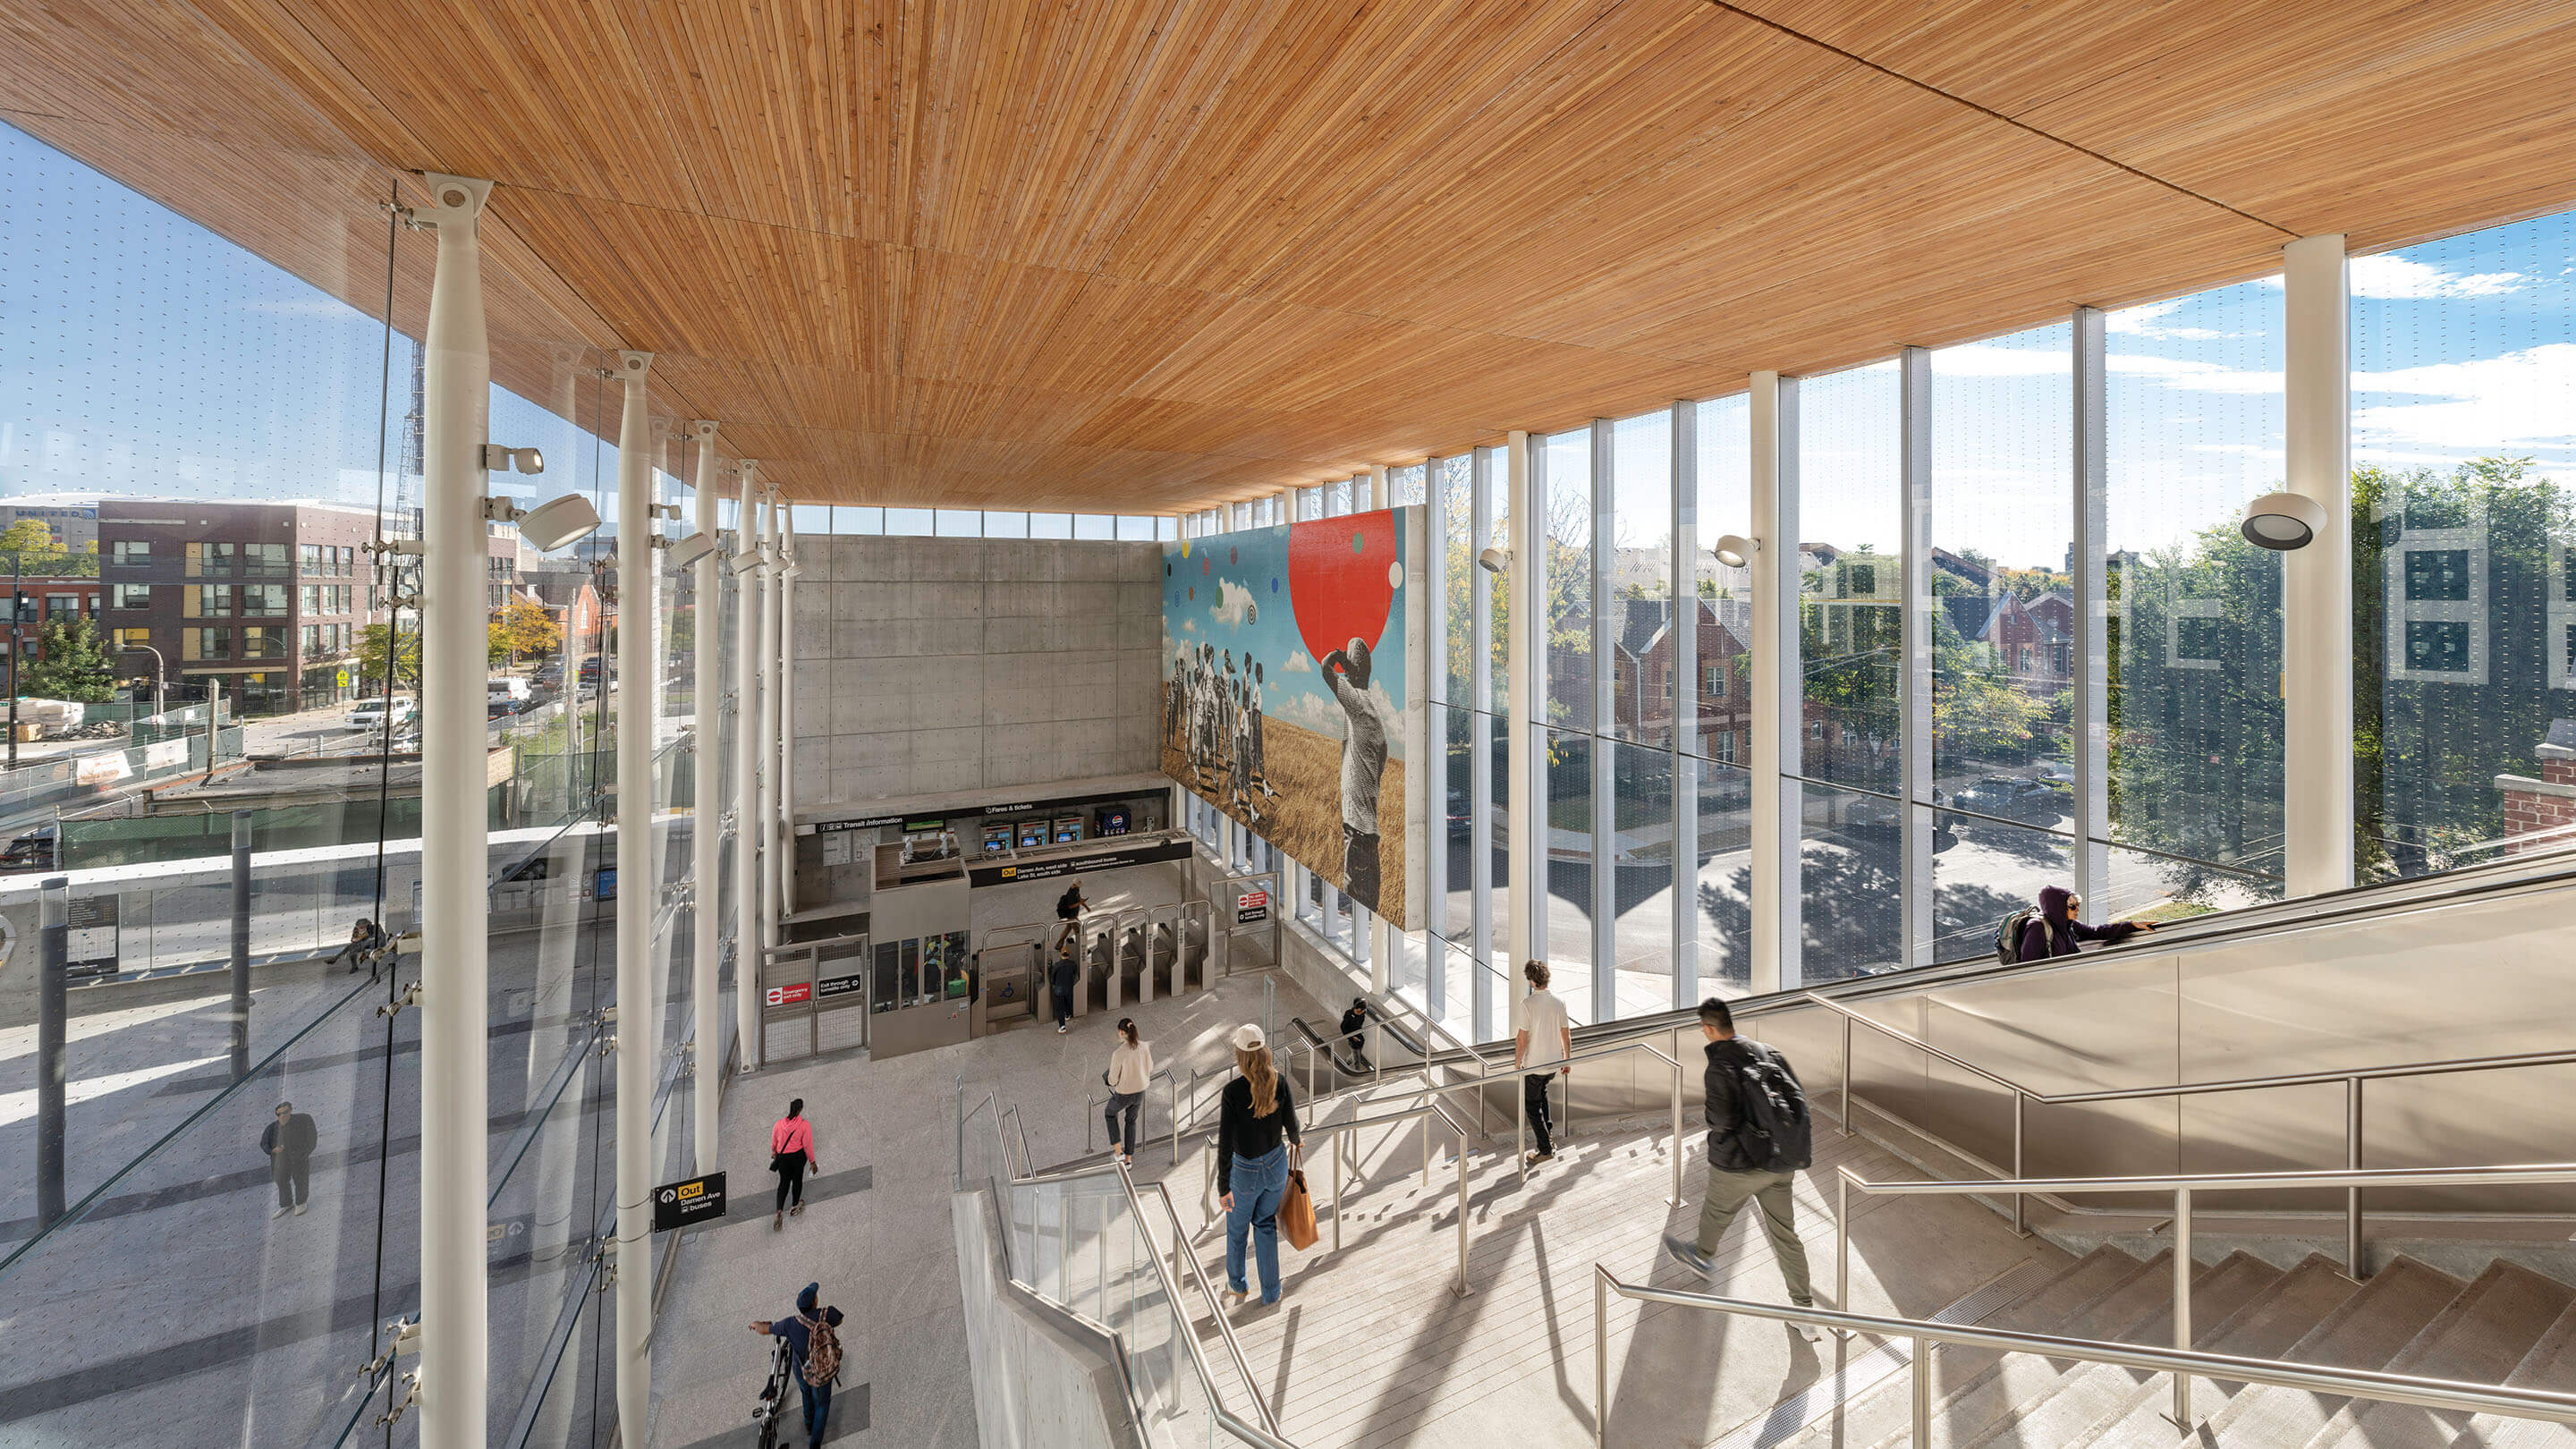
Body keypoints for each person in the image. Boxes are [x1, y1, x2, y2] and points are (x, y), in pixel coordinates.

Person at [1664, 997, 1825, 1343]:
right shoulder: (1768, 1052)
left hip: (1741, 1163)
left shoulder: (1720, 1066)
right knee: (1786, 1234)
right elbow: (1797, 1100)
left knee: (1717, 1209)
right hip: (1781, 1162)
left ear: (1708, 1029)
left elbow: (1721, 1120)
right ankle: (1805, 1312)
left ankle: (1702, 1256)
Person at [1216, 1023, 1301, 1308]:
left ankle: (1238, 1287)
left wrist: (1223, 1186)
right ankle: (1272, 1292)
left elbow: (1226, 1143)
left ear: (1239, 1055)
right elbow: (1291, 1121)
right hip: (1277, 1165)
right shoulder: (1280, 1080)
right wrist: (1296, 1140)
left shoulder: (1232, 1092)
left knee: (1237, 1231)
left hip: (1245, 1172)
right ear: (1265, 1050)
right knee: (1265, 1226)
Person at [1319, 638, 1390, 911]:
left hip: (1356, 829)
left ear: (1352, 671)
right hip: (1370, 830)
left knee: (1353, 904)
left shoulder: (1357, 703)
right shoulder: (1374, 712)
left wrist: (1338, 656)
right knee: (1369, 903)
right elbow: (1382, 761)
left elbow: (1326, 670)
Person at [750, 1282, 844, 1447]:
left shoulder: (789, 1324)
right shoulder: (827, 1313)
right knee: (822, 1405)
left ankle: (808, 1423)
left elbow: (765, 1329)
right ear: (815, 1302)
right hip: (821, 1372)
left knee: (805, 1393)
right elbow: (840, 1320)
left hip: (801, 1369)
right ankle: (814, 1444)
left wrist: (756, 1324)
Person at [1512, 962, 1571, 1164]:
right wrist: (1567, 1059)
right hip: (1553, 1064)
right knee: (1541, 1095)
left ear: (1531, 981)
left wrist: (1517, 1062)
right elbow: (1566, 1033)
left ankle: (1544, 1149)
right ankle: (1549, 1137)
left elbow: (1522, 1039)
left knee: (1531, 1106)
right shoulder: (1559, 1001)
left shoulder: (1527, 1004)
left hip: (1535, 1065)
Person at [2015, 886, 2154, 962]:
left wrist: (2132, 925)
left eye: (2078, 905)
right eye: (2073, 906)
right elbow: (2028, 966)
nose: (2078, 909)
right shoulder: (2037, 927)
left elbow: (2097, 932)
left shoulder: (2068, 924)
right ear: (2058, 907)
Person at [1104, 1017, 1152, 1164]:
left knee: (1110, 1113)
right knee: (1131, 1121)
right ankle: (1128, 1160)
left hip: (1124, 1093)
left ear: (1121, 1032)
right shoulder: (1144, 1046)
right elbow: (1149, 1067)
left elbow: (1112, 1080)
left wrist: (1110, 1079)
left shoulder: (1119, 1054)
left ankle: (1119, 1153)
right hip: (1141, 1091)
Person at [261, 1101, 318, 1218]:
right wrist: (273, 1150)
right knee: (281, 1181)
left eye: (285, 1112)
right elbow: (264, 1143)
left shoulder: (303, 1120)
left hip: (298, 1157)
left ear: (291, 1110)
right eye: (279, 1114)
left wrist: (306, 1152)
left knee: (301, 1179)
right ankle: (286, 1203)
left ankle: (301, 1202)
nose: (283, 1115)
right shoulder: (272, 1128)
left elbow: (312, 1136)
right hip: (280, 1160)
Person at [771, 1098, 819, 1229]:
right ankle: (794, 1206)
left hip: (783, 1159)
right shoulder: (804, 1125)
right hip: (798, 1157)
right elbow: (807, 1146)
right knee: (797, 1180)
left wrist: (774, 1152)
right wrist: (812, 1162)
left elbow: (774, 1141)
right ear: (799, 1110)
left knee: (784, 1182)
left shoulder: (779, 1124)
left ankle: (779, 1211)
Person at [1049, 936, 1080, 1033]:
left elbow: (1052, 978)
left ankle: (1062, 1026)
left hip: (1059, 989)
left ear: (1061, 954)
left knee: (1059, 1008)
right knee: (1068, 1001)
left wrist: (1053, 984)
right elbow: (1075, 973)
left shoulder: (1057, 965)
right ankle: (1068, 1014)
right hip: (1069, 988)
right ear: (1068, 955)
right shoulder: (1073, 964)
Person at [1339, 996, 1374, 1073]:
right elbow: (1343, 1028)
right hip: (1352, 1038)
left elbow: (1359, 1024)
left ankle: (1345, 1062)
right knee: (1357, 1060)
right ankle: (1357, 1073)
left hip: (1359, 1037)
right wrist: (1352, 1037)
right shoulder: (1348, 1014)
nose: (1361, 1013)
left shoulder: (1363, 1013)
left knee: (1357, 1054)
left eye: (1362, 1011)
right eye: (1359, 1011)